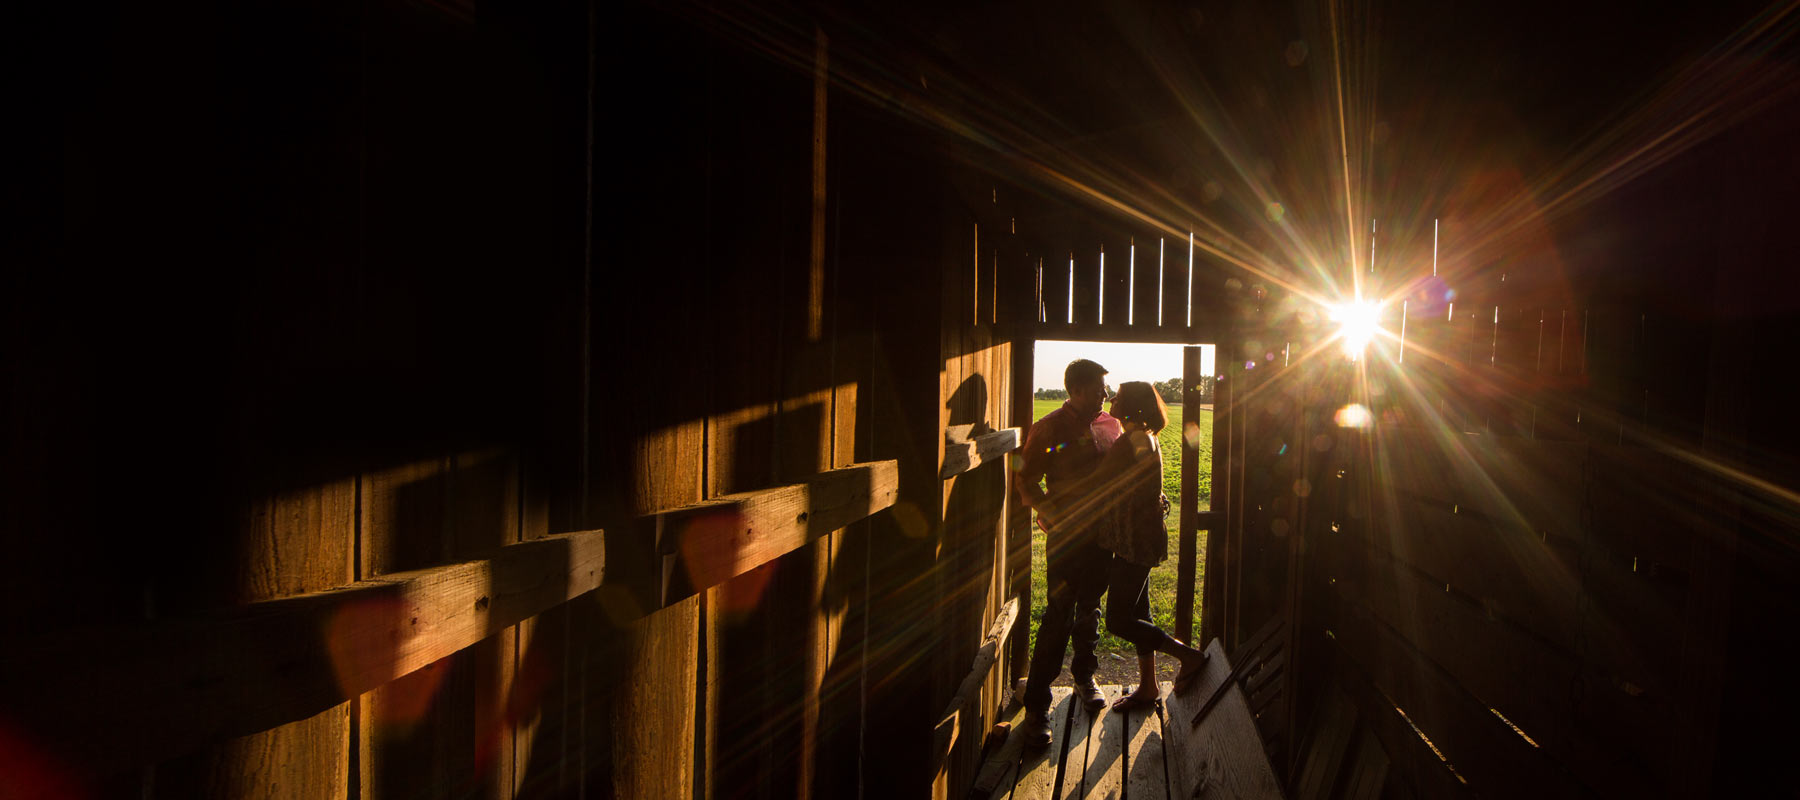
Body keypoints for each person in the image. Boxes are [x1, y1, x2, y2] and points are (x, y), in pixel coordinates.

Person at [1016, 359, 1123, 748]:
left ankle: (1084, 676)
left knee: (1091, 606)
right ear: (1075, 390)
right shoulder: (1050, 428)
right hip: (1067, 538)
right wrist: (1052, 514)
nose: (1105, 395)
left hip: (1104, 536)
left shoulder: (1112, 424)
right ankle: (1036, 707)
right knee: (1059, 615)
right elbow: (1026, 479)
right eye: (1098, 388)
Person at [1094, 381, 1209, 712]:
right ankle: (1148, 687)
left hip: (1136, 540)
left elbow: (1144, 487)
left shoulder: (1139, 438)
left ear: (1131, 404)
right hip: (1132, 536)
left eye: (1119, 395)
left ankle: (1188, 656)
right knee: (1138, 611)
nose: (1112, 399)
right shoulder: (1139, 436)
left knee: (1117, 620)